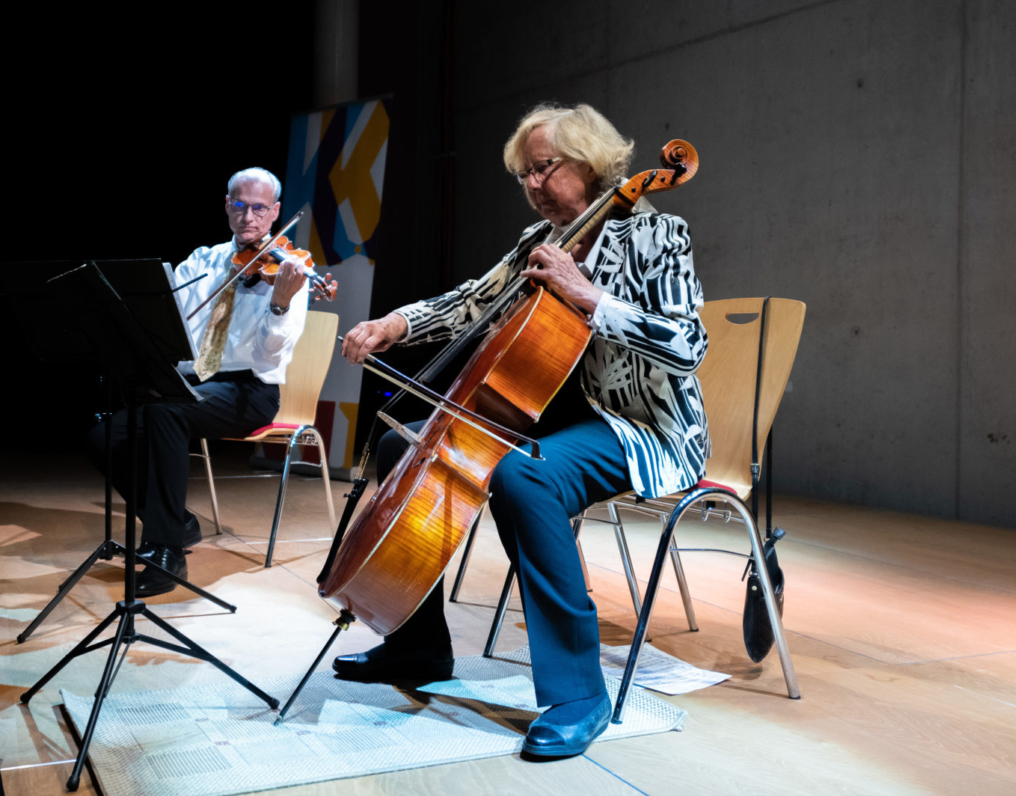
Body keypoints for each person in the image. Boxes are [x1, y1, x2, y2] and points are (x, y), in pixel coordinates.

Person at [337, 104, 709, 758]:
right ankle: (418, 644)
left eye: (546, 168)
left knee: (522, 472)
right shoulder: (539, 242)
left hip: (639, 429)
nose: (535, 185)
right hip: (553, 418)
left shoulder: (659, 235)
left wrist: (590, 298)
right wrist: (392, 325)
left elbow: (688, 343)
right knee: (404, 442)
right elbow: (468, 303)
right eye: (525, 174)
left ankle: (577, 694)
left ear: (590, 163)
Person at [88, 167, 310, 597]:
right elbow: (170, 322)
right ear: (227, 205)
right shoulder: (201, 261)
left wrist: (279, 304)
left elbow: (269, 357)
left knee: (167, 410)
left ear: (276, 212)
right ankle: (179, 522)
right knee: (102, 438)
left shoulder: (290, 271)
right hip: (192, 384)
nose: (249, 217)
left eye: (259, 209)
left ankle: (165, 549)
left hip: (249, 392)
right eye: (240, 206)